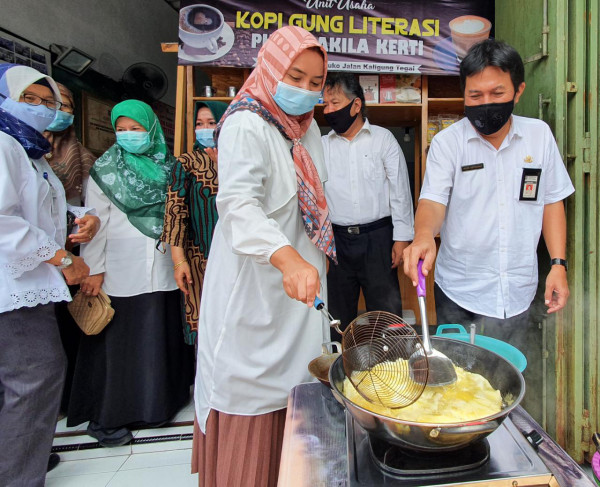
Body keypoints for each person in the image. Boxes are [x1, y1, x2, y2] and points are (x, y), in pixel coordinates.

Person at [192, 26, 334, 487]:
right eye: (296, 76)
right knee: (254, 391)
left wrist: (304, 260)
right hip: (256, 286)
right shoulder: (245, 124)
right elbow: (238, 205)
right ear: (271, 69)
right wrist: (286, 257)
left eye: (316, 83)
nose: (306, 91)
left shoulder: (307, 131)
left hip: (299, 290)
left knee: (300, 388)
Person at [403, 40, 574, 410]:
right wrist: (422, 236)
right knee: (456, 392)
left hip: (519, 290)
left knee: (511, 390)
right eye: (475, 95)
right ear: (463, 94)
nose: (486, 103)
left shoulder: (538, 136)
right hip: (460, 290)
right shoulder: (448, 143)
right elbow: (432, 202)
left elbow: (551, 201)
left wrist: (558, 264)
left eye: (497, 92)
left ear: (518, 91)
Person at [67, 100, 195, 447]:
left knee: (158, 336)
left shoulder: (170, 167)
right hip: (119, 269)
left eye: (135, 129)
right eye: (121, 130)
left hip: (167, 266)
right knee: (123, 344)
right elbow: (96, 222)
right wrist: (94, 270)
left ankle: (158, 406)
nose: (128, 136)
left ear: (151, 129)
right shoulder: (105, 171)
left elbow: (181, 216)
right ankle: (115, 413)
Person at [0, 64, 93, 486]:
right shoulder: (3, 144)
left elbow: (43, 209)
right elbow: (3, 221)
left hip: (27, 282)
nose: (41, 109)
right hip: (13, 285)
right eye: (28, 99)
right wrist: (63, 257)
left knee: (25, 379)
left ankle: (19, 461)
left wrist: (81, 219)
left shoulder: (28, 150)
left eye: (47, 101)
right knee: (34, 378)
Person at [321, 72, 414, 338]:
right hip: (337, 242)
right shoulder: (322, 145)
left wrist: (401, 238)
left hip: (378, 239)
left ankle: (390, 369)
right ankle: (342, 371)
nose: (328, 111)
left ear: (356, 105)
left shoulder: (383, 139)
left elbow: (400, 192)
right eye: (325, 105)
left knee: (387, 315)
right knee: (338, 317)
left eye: (335, 103)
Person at [43, 82, 98, 414]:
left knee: (68, 326)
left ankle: (67, 399)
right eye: (52, 104)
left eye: (66, 106)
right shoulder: (17, 150)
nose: (60, 113)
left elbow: (86, 203)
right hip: (33, 255)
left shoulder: (80, 155)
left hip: (72, 248)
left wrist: (89, 221)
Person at [161, 100, 227, 345]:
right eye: (199, 124)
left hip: (239, 258)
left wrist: (225, 167)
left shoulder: (240, 160)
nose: (204, 128)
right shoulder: (185, 163)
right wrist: (179, 261)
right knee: (205, 325)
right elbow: (175, 212)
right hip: (200, 262)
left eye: (211, 123)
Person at [43, 82, 96, 206]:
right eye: (52, 103)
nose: (59, 109)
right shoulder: (17, 146)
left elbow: (94, 200)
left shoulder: (84, 157)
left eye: (65, 105)